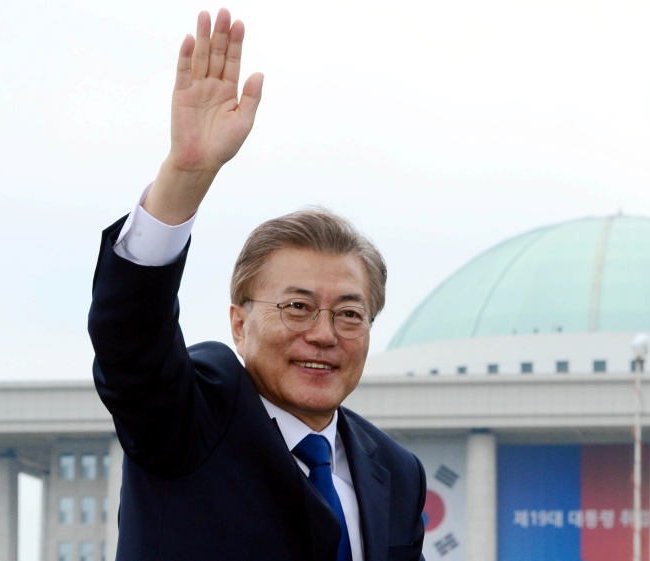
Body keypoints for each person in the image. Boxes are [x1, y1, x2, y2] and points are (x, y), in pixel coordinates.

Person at [88, 9, 427, 561]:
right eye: (297, 307)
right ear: (240, 323)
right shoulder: (193, 416)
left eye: (349, 313)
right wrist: (187, 174)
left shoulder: (397, 471)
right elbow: (131, 337)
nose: (324, 334)